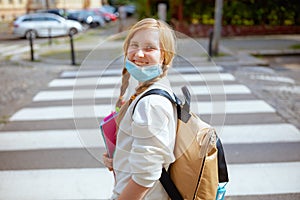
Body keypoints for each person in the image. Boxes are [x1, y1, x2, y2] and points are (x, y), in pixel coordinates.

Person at [102, 18, 177, 200]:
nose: (139, 54)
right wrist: (120, 157)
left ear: (164, 56)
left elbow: (146, 175)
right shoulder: (150, 90)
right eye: (134, 45)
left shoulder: (150, 103)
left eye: (150, 48)